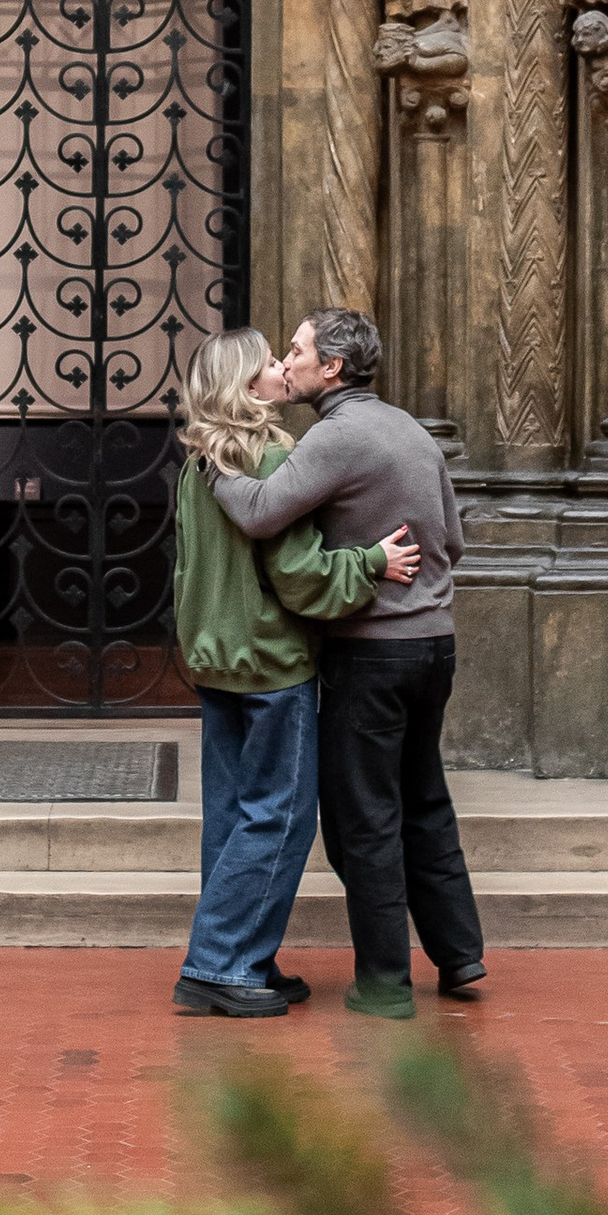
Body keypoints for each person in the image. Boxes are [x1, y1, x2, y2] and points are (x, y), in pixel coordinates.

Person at [209, 308, 481, 1021]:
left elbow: (265, 512)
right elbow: (451, 538)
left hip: (372, 654)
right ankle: (459, 954)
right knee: (425, 801)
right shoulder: (410, 429)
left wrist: (218, 470)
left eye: (295, 350)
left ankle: (386, 985)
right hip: (435, 644)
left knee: (365, 822)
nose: (288, 361)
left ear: (332, 367)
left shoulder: (336, 436)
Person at [171, 329, 420, 1021]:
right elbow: (301, 579)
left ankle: (243, 958)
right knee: (278, 817)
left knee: (230, 819)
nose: (283, 368)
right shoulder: (273, 454)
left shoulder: (201, 462)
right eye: (270, 363)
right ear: (251, 386)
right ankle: (219, 964)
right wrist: (371, 564)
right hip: (271, 664)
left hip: (216, 661)